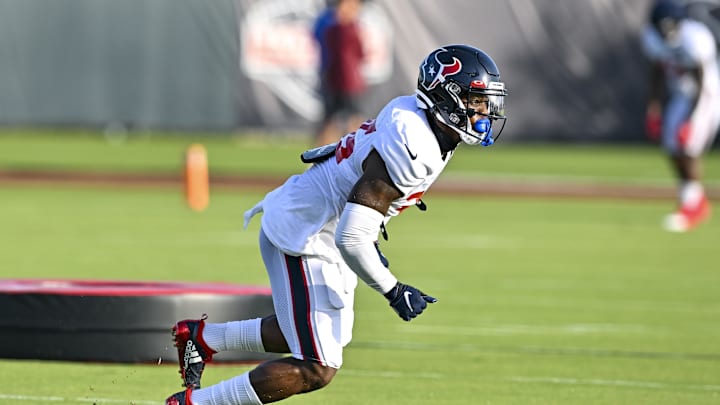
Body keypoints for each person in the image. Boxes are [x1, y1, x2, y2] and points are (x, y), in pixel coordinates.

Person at [164, 44, 508, 405]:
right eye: (476, 101)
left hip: (323, 226)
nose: (484, 112)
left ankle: (203, 338)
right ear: (445, 97)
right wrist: (393, 289)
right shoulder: (415, 143)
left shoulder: (426, 125)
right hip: (306, 231)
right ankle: (193, 404)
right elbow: (352, 236)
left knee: (312, 330)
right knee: (317, 364)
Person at [641, 0, 720, 232]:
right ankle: (694, 201)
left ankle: (692, 206)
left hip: (705, 96)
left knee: (688, 146)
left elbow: (701, 83)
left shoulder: (695, 39)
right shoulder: (652, 39)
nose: (667, 32)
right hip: (681, 94)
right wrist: (653, 108)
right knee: (671, 147)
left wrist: (690, 120)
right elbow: (656, 73)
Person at [312, 0, 367, 146]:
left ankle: (356, 155)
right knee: (332, 121)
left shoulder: (350, 27)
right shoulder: (331, 26)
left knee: (353, 121)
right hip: (338, 80)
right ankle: (319, 157)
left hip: (347, 81)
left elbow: (360, 54)